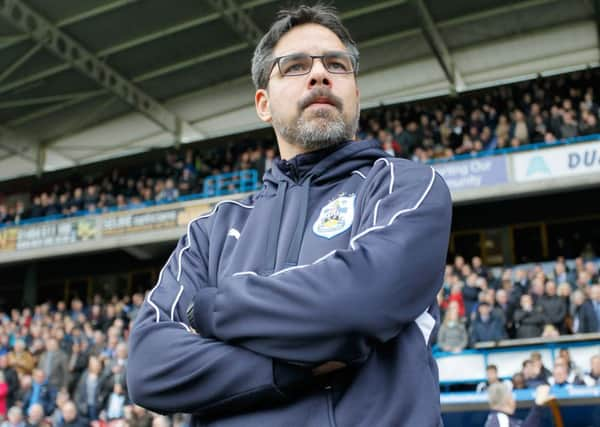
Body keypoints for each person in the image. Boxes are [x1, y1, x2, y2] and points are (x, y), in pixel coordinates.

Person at [127, 4, 452, 427]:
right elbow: (151, 370)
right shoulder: (210, 232)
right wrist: (285, 370)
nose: (320, 75)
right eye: (295, 66)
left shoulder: (405, 186)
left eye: (336, 65)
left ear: (356, 94)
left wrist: (210, 309)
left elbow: (355, 304)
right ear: (263, 103)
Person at [484, 383, 553, 427]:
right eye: (511, 396)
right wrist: (537, 405)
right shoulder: (499, 419)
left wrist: (538, 405)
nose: (514, 400)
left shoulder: (501, 418)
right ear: (506, 398)